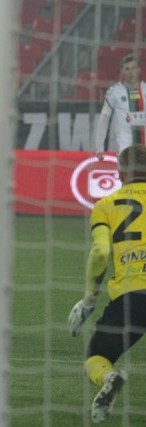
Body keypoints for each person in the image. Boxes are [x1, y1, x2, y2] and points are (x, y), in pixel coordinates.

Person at [68, 144, 146, 423]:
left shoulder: (105, 205)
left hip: (131, 298)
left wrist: (89, 299)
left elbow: (100, 252)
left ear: (120, 174)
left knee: (97, 356)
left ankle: (110, 378)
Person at [95, 54, 146, 161]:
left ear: (139, 70)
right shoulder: (114, 92)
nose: (130, 72)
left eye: (133, 68)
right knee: (127, 177)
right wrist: (99, 146)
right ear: (122, 71)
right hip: (125, 150)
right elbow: (104, 118)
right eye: (127, 69)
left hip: (144, 148)